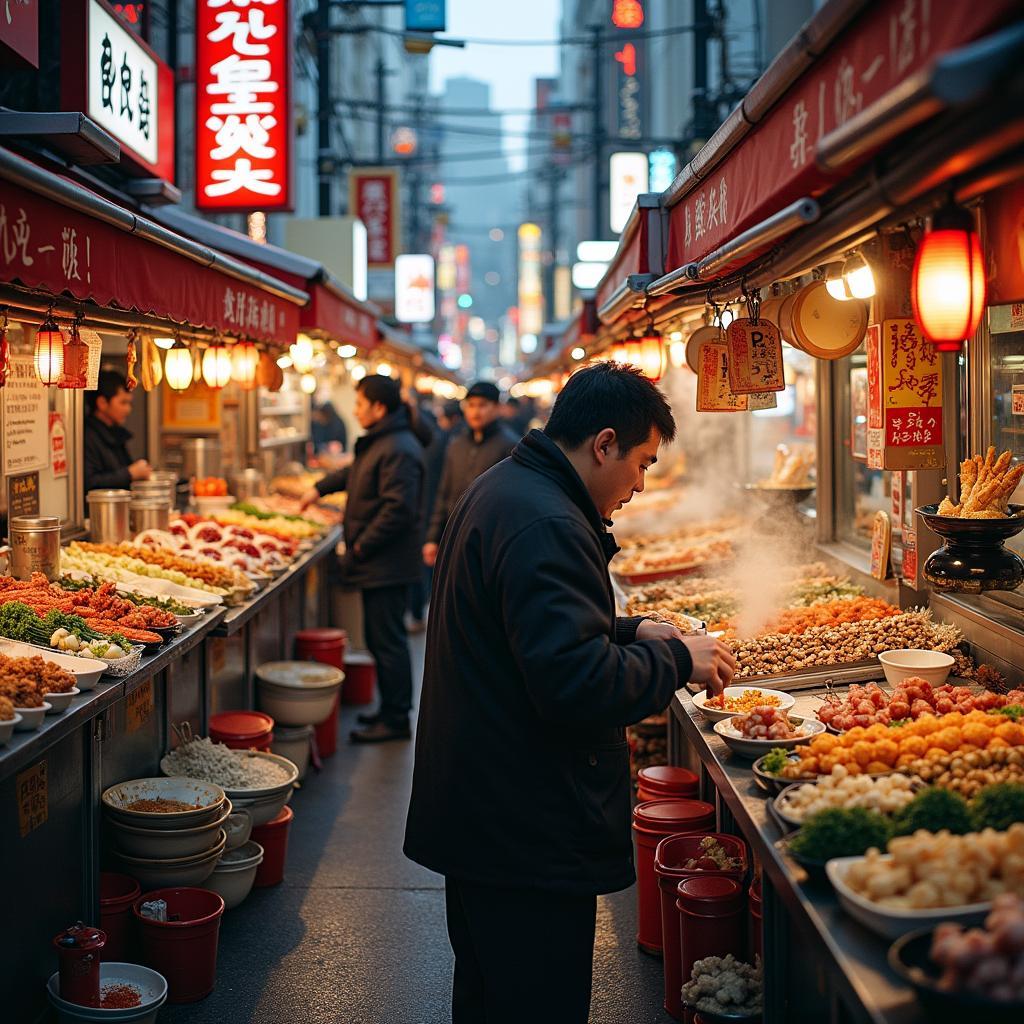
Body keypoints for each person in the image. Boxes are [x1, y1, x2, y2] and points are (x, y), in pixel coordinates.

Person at [404, 363, 736, 1023]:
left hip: (482, 810)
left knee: (488, 996)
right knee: (536, 1002)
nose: (639, 486)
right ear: (604, 444)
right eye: (642, 463)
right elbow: (573, 683)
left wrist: (629, 627)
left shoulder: (508, 487)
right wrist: (674, 657)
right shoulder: (548, 521)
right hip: (525, 825)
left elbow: (523, 628)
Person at [300, 376, 427, 743]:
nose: (354, 410)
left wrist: (359, 547)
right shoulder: (383, 441)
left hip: (387, 563)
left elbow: (397, 510)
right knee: (381, 637)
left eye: (359, 403)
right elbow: (355, 473)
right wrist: (318, 488)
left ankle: (396, 717)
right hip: (382, 561)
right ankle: (389, 710)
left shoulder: (398, 447)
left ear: (379, 408)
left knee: (387, 640)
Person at [422, 382, 518, 569]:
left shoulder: (510, 446)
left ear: (497, 408)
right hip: (455, 537)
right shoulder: (456, 445)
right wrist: (433, 537)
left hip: (492, 541)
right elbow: (444, 493)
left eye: (482, 405)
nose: (475, 412)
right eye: (471, 405)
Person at [84, 369, 151, 492]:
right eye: (123, 402)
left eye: (129, 403)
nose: (128, 409)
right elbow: (90, 482)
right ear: (102, 403)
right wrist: (130, 473)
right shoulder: (87, 436)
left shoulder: (114, 433)